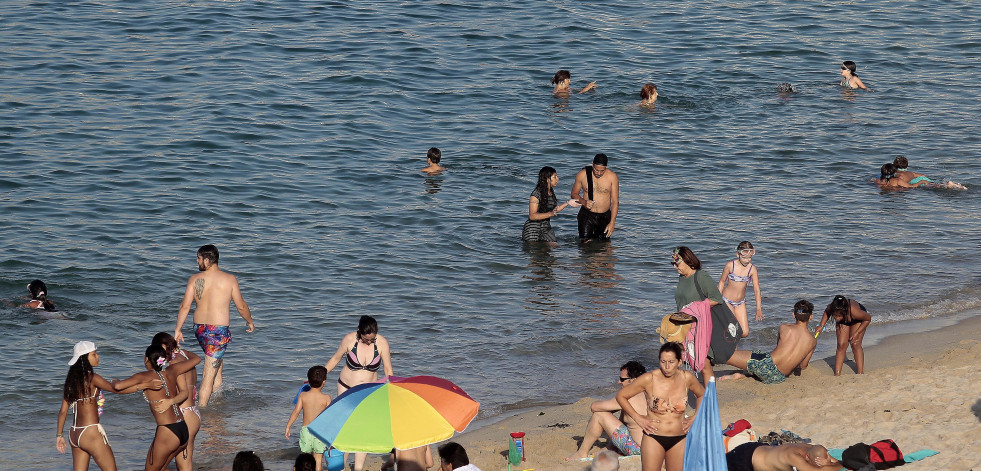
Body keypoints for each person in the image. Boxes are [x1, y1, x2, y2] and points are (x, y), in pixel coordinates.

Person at [55, 341, 158, 471]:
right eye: (94, 354)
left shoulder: (71, 381)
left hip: (74, 434)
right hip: (90, 432)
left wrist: (59, 435)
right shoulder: (92, 377)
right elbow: (116, 390)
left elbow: (63, 412)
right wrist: (143, 386)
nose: (98, 356)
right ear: (85, 358)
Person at [175, 244, 255, 407]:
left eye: (198, 258)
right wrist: (249, 320)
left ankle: (218, 400)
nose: (197, 261)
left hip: (200, 329)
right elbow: (241, 305)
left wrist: (178, 329)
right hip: (217, 332)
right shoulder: (229, 279)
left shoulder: (195, 279)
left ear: (207, 259)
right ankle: (201, 412)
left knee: (216, 363)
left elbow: (185, 306)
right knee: (208, 375)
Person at [616, 342, 705, 471]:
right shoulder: (649, 379)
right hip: (653, 437)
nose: (667, 367)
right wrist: (638, 418)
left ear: (679, 362)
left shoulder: (687, 378)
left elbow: (702, 395)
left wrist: (695, 417)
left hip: (679, 437)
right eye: (663, 362)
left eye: (671, 362)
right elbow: (621, 396)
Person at [113, 344, 201, 471]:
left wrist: (114, 380)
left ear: (147, 359)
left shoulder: (144, 377)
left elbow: (118, 387)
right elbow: (196, 359)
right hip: (183, 428)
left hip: (167, 431)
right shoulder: (172, 370)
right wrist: (181, 350)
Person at [324, 315, 394, 471]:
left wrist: (391, 386)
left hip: (367, 391)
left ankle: (358, 468)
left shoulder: (381, 343)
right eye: (365, 339)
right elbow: (335, 359)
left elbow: (388, 369)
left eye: (372, 339)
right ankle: (340, 465)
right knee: (344, 427)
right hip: (346, 387)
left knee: (362, 429)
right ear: (358, 331)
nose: (369, 342)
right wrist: (320, 375)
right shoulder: (349, 340)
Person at [721, 300, 818, 384]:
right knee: (765, 365)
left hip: (765, 365)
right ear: (811, 317)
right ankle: (743, 376)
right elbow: (803, 366)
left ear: (793, 315)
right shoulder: (813, 341)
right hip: (778, 377)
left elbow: (778, 348)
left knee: (726, 355)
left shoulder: (784, 328)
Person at [567, 361, 647, 460]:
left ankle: (582, 452)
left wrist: (608, 410)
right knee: (624, 417)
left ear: (633, 380)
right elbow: (622, 424)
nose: (618, 382)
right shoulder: (649, 393)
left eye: (622, 379)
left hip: (638, 450)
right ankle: (611, 448)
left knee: (599, 415)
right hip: (653, 449)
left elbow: (594, 407)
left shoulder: (628, 396)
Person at [150, 333, 202, 471]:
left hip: (184, 415)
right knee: (186, 463)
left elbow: (181, 392)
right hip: (194, 413)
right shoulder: (185, 355)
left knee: (180, 466)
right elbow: (198, 358)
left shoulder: (174, 365)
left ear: (162, 346)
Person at [286, 366, 332, 470]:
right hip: (320, 432)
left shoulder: (303, 395)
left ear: (308, 381)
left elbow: (296, 412)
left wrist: (288, 426)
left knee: (304, 460)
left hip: (306, 431)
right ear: (324, 382)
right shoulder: (326, 398)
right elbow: (330, 417)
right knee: (318, 460)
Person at [815, 295, 871, 375]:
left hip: (859, 319)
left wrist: (857, 332)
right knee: (841, 345)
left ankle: (860, 372)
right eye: (834, 316)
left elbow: (868, 319)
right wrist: (821, 325)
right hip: (844, 318)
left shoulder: (855, 312)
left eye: (839, 316)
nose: (836, 318)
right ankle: (837, 374)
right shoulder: (832, 307)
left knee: (855, 343)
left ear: (844, 313)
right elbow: (827, 312)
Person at [717, 241, 763, 337]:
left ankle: (727, 339)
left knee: (744, 333)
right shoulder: (730, 265)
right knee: (734, 329)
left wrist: (758, 309)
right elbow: (722, 281)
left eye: (749, 258)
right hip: (726, 301)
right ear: (738, 254)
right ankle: (731, 349)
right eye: (744, 257)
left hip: (740, 303)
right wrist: (717, 299)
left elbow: (757, 290)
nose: (747, 260)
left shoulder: (752, 269)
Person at [522, 166, 579, 243]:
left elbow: (554, 211)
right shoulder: (536, 194)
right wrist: (551, 214)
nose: (558, 178)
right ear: (548, 179)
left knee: (554, 247)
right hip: (532, 228)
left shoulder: (551, 192)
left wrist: (568, 203)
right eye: (555, 176)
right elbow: (532, 216)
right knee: (535, 251)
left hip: (546, 227)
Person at [571, 153, 619, 242]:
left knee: (604, 246)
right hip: (587, 214)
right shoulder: (582, 174)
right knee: (585, 245)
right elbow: (574, 193)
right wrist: (583, 201)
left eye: (602, 171)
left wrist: (612, 223)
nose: (599, 173)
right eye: (596, 170)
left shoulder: (612, 177)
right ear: (592, 164)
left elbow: (615, 202)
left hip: (604, 216)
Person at [726, 442, 840, 471]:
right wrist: (840, 464)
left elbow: (835, 460)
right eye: (818, 463)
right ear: (807, 456)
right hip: (745, 460)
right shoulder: (794, 456)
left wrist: (830, 462)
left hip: (758, 449)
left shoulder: (812, 448)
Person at [892, 156, 967, 190]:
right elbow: (922, 175)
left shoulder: (897, 173)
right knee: (933, 183)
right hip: (922, 178)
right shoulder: (911, 173)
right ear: (906, 166)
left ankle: (946, 185)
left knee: (931, 186)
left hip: (916, 182)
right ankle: (953, 185)